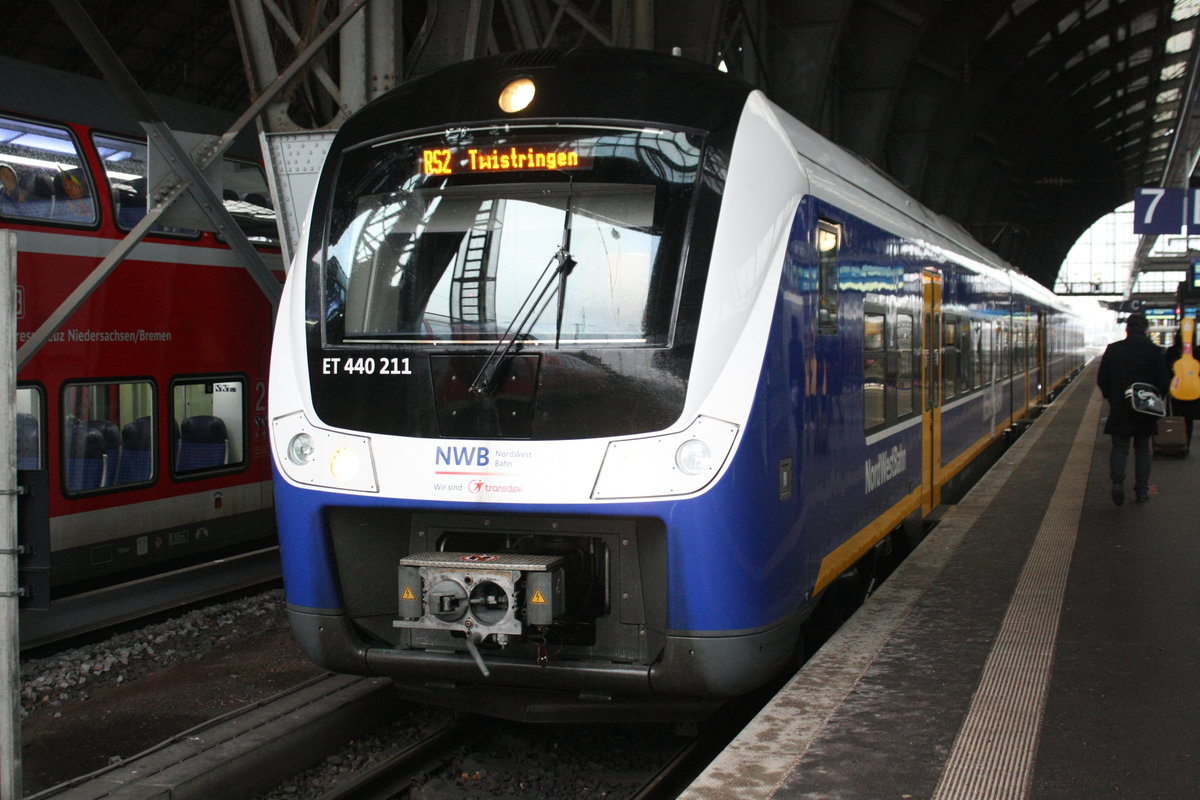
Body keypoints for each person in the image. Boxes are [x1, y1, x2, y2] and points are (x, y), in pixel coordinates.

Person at [1096, 313, 1170, 504]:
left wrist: (1113, 398)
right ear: (1146, 330)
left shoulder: (1114, 350)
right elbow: (1163, 381)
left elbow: (1102, 379)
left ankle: (1118, 483)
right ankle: (1142, 491)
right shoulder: (1155, 351)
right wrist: (1153, 401)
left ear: (1127, 329)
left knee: (1120, 448)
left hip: (1121, 407)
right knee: (1143, 449)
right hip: (1145, 409)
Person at [1164, 326, 1200, 450]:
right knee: (1188, 419)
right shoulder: (1197, 352)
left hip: (1176, 390)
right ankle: (1185, 443)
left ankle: (1176, 441)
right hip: (1192, 390)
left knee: (1176, 417)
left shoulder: (1172, 352)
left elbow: (1166, 372)